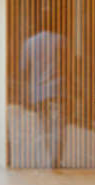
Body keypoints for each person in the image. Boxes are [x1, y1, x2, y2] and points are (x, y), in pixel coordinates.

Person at [19, 22, 66, 168]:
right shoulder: (61, 40)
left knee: (44, 126)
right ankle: (56, 159)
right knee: (58, 126)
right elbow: (69, 65)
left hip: (38, 92)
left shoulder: (29, 43)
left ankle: (49, 157)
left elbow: (24, 69)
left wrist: (26, 91)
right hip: (57, 90)